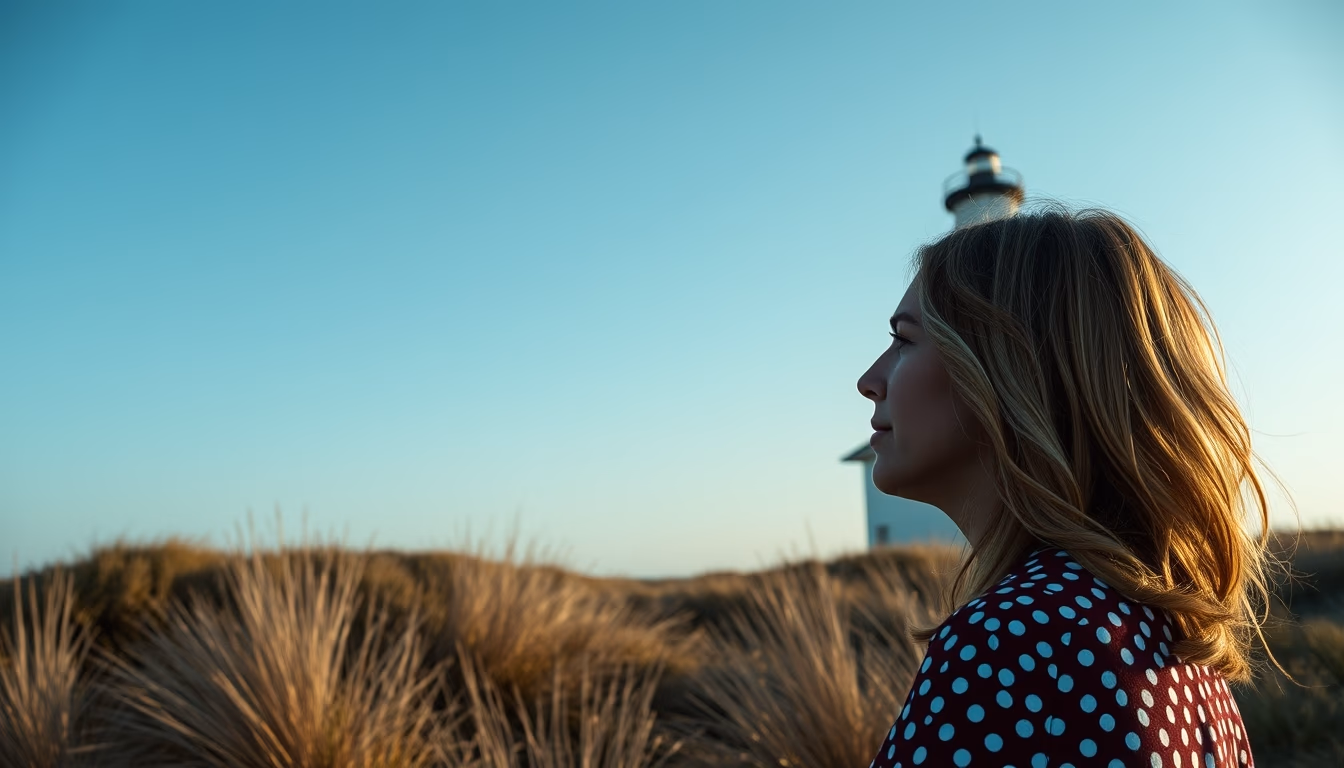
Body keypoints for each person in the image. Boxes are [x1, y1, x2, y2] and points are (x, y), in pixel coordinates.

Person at [857, 203, 1288, 768]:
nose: (869, 381)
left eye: (905, 340)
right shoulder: (1175, 642)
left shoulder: (1015, 642)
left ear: (1009, 368)